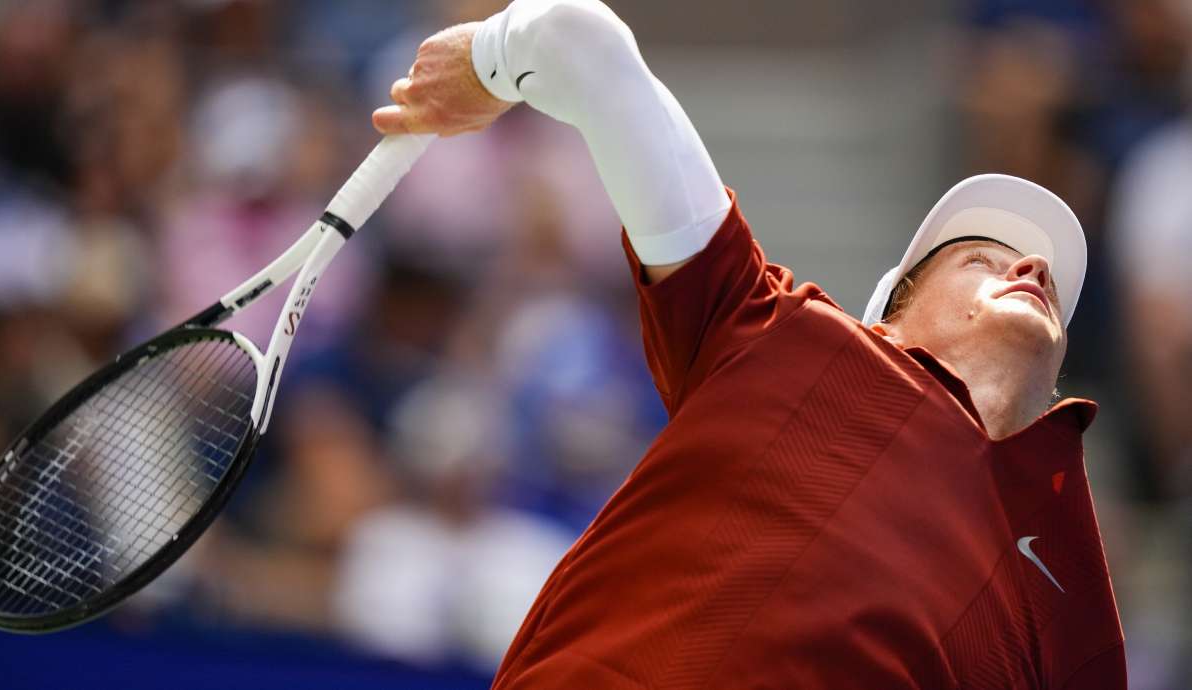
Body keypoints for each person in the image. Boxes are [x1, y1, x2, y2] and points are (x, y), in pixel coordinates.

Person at [372, 0, 1127, 687]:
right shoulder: (779, 335)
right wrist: (489, 62)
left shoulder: (1068, 604)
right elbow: (580, 41)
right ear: (884, 320)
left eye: (1044, 282)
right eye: (980, 259)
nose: (1030, 268)